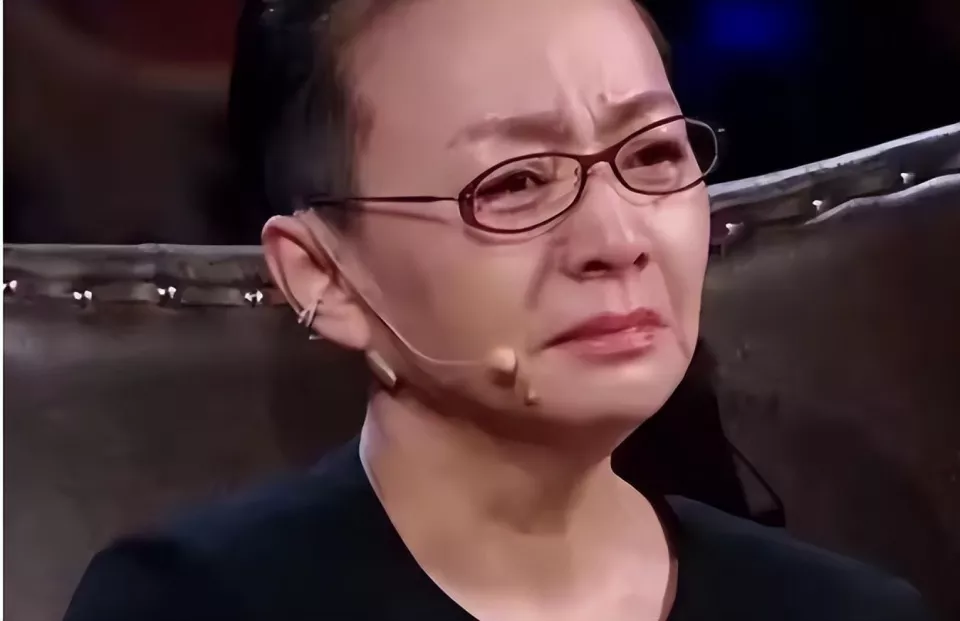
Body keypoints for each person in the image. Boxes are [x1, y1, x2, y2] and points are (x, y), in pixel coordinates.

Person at [63, 0, 936, 619]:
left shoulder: (845, 610)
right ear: (323, 275)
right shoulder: (193, 603)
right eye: (514, 183)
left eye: (654, 155)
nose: (617, 238)